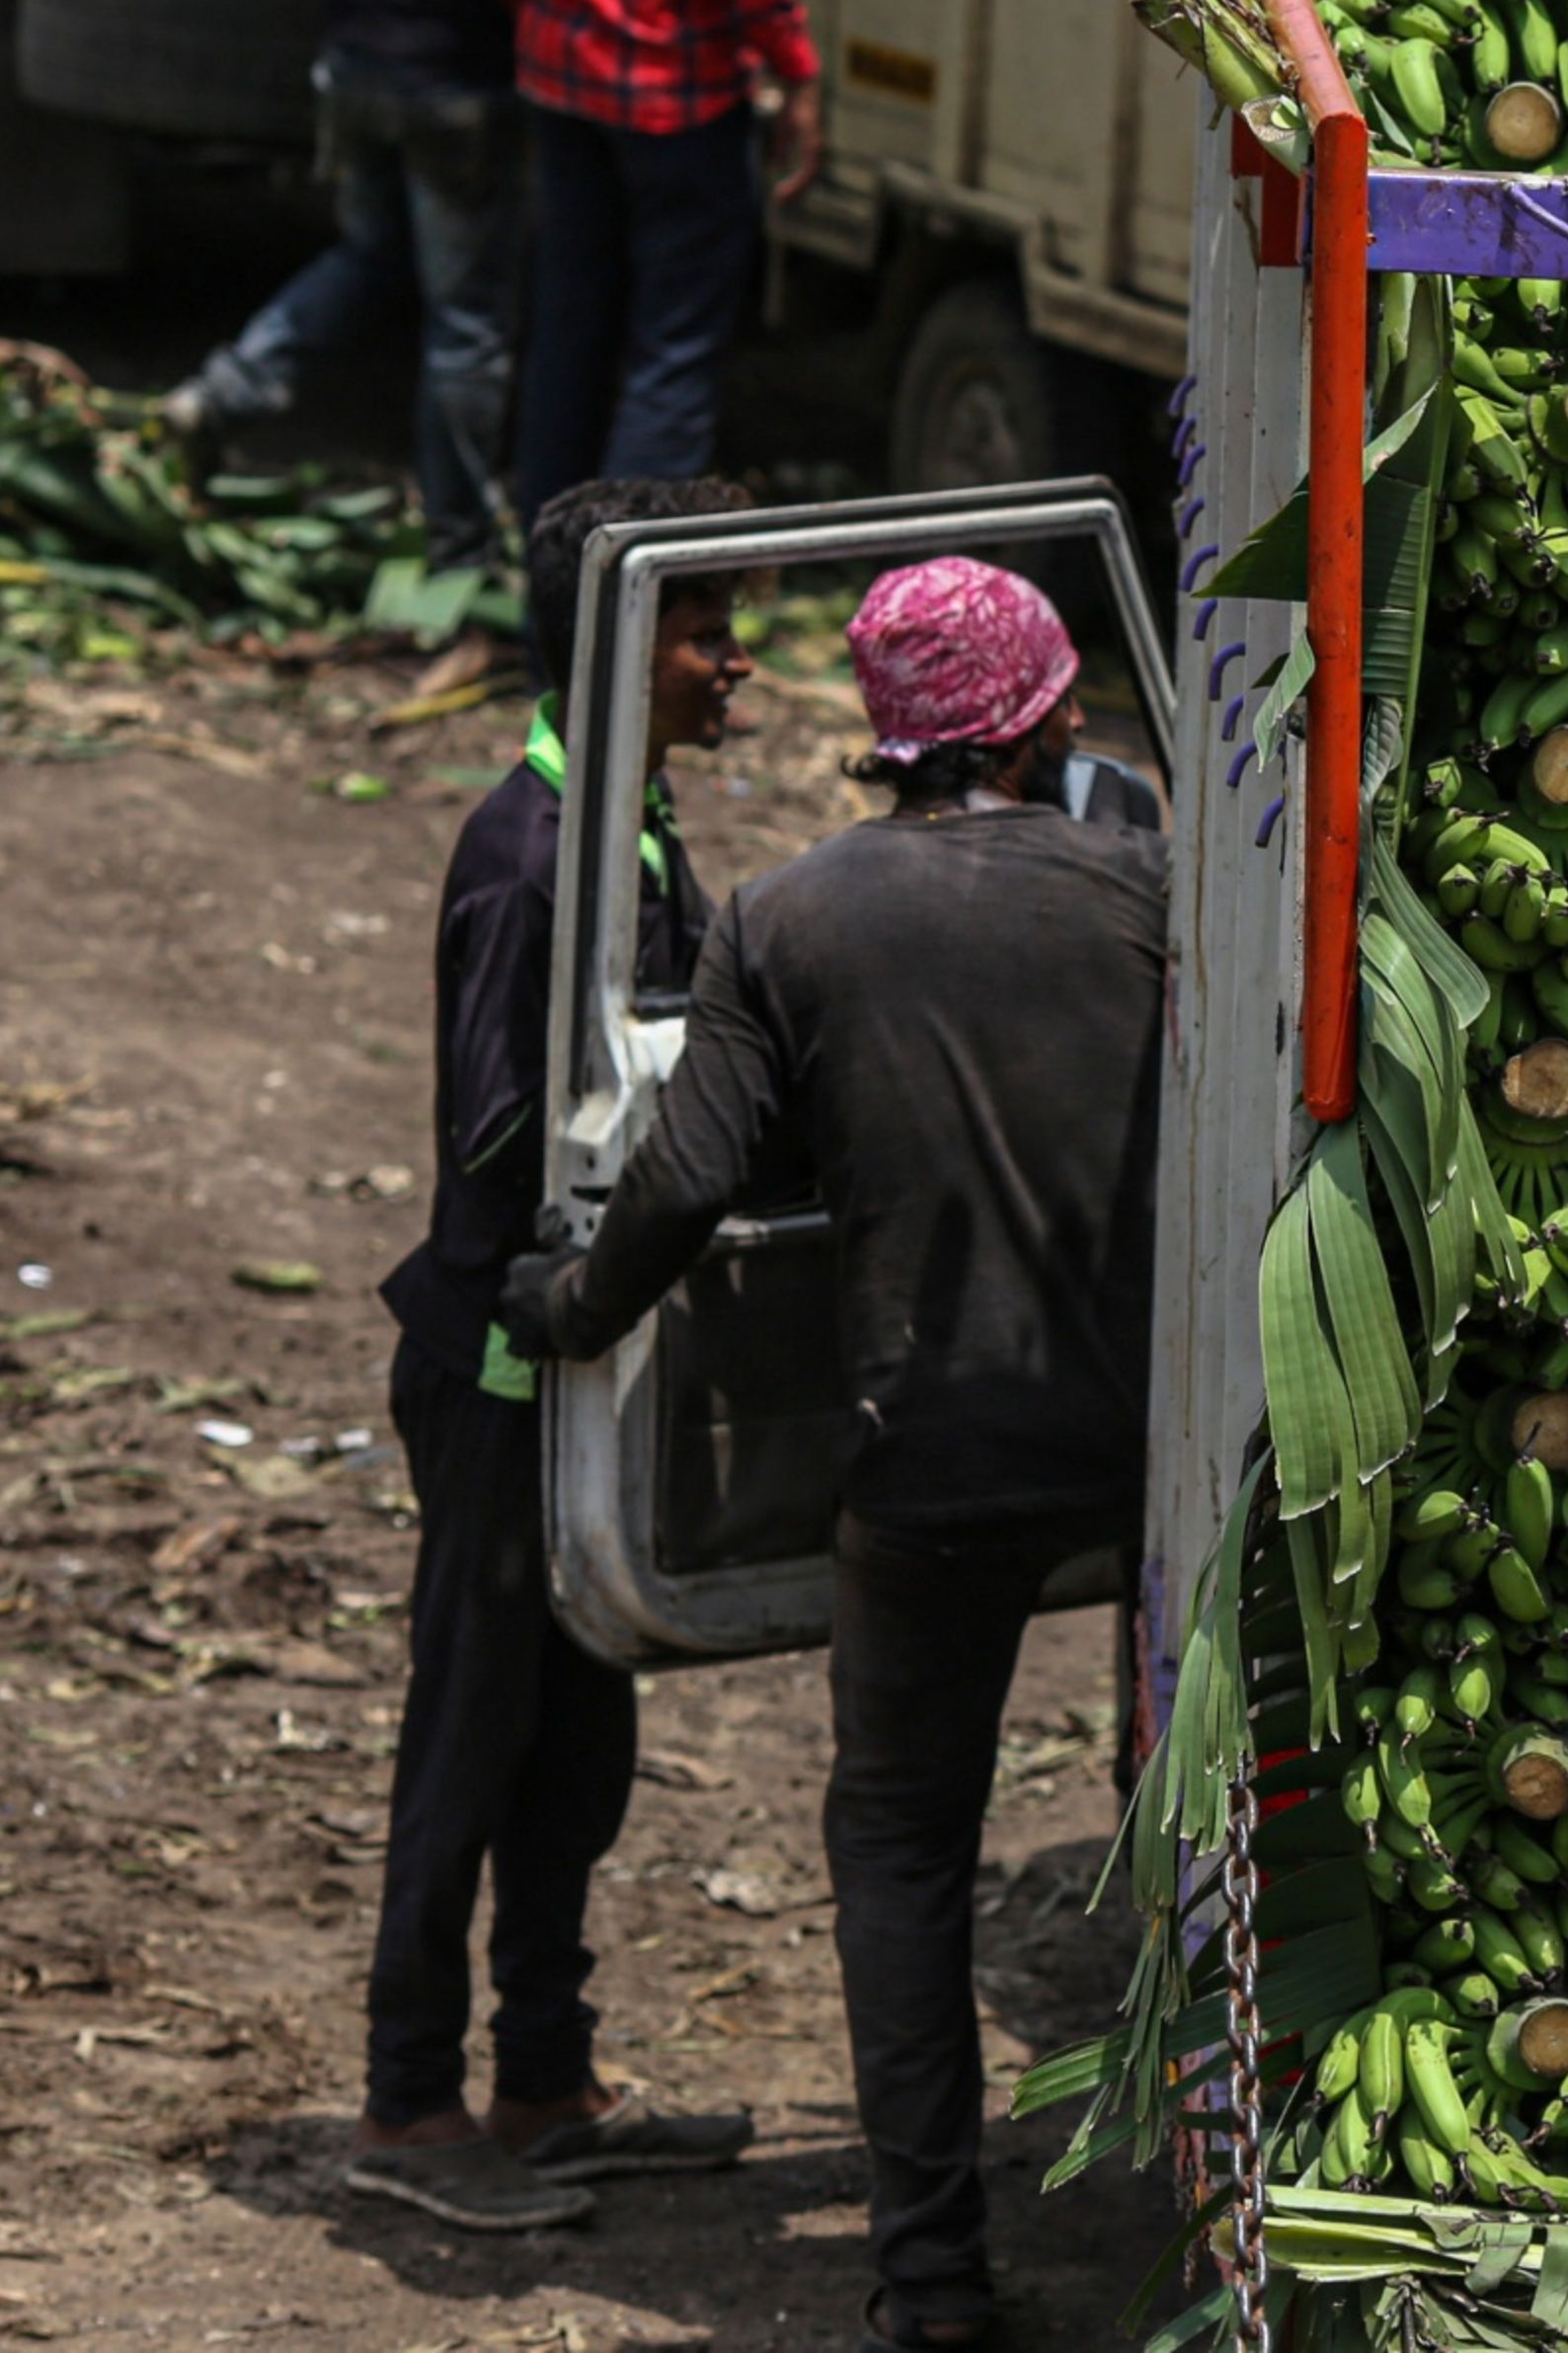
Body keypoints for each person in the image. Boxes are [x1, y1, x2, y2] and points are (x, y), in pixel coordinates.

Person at [500, 558, 1167, 2348]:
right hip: (1155, 1451)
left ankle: (931, 2273)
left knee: (900, 1841)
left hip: (930, 1463)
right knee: (1193, 1793)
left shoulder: (787, 918)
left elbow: (686, 1180)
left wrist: (565, 1305)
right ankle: (1221, 2190)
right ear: (1048, 715)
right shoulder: (1152, 887)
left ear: (885, 733)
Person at [353, 476, 765, 2233]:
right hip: (503, 1380)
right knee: (471, 1731)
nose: (735, 663)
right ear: (617, 646)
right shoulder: (532, 857)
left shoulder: (623, 828)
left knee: (575, 1742)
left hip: (574, 1375)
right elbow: (500, 1129)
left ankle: (545, 2072)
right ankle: (409, 2100)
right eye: (703, 630)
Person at [419, 0, 823, 523]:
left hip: (564, 71)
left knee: (568, 337)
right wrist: (792, 59)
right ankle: (631, 590)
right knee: (670, 361)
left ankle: (555, 590)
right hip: (684, 85)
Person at [161, 0, 523, 583]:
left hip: (357, 58)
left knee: (371, 254)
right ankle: (460, 544)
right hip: (455, 77)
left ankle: (223, 394)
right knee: (467, 324)